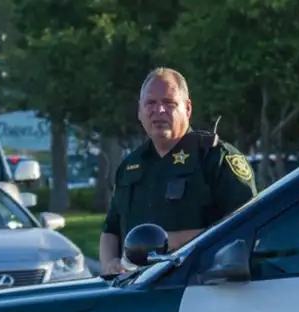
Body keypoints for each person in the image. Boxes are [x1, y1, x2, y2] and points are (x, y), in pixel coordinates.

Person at [100, 67, 258, 275]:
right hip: (137, 289)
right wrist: (110, 264)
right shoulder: (131, 165)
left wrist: (170, 242)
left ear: (188, 108)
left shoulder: (215, 158)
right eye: (151, 103)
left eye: (169, 103)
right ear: (139, 111)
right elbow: (111, 230)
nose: (159, 111)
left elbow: (249, 225)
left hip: (199, 286)